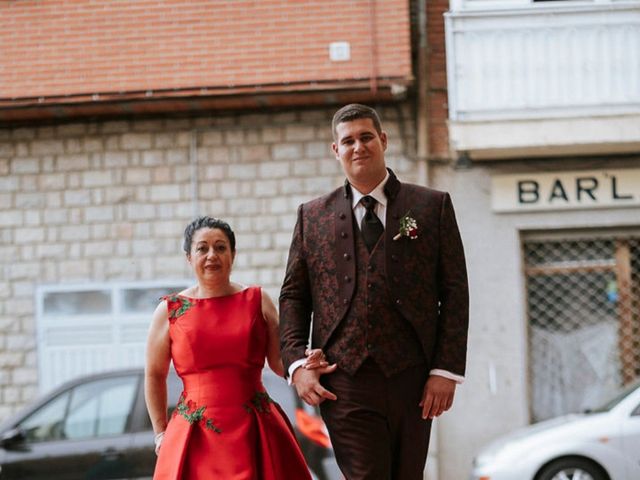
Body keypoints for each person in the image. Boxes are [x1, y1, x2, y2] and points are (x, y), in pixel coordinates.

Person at [279, 103, 469, 480]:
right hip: (345, 380)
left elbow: (454, 291)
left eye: (366, 137)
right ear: (336, 150)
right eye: (347, 141)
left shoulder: (431, 207)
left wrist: (445, 370)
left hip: (413, 377)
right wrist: (297, 364)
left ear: (383, 140)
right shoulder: (312, 217)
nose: (358, 147)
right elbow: (294, 296)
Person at [145, 216, 323, 480]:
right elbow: (154, 375)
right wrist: (161, 433)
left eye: (220, 247)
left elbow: (279, 361)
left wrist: (306, 361)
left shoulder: (257, 300)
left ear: (233, 254)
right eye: (202, 248)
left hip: (256, 430)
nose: (211, 255)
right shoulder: (169, 311)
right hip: (194, 435)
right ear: (188, 257)